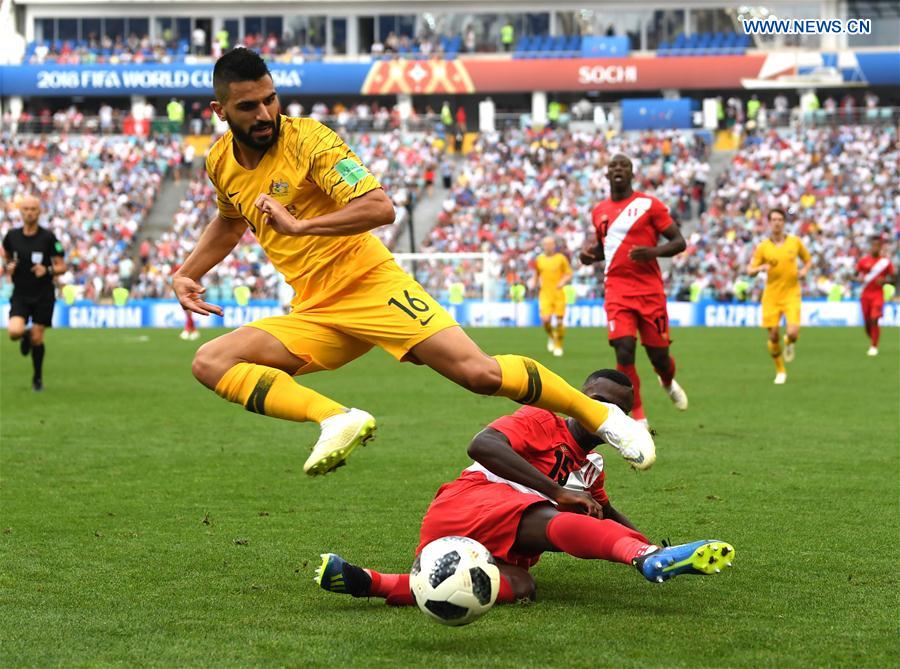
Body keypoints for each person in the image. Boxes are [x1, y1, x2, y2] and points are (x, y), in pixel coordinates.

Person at [173, 49, 654, 478]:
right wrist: (188, 272)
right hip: (315, 310)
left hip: (370, 284)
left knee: (479, 375)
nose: (264, 113)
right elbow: (230, 221)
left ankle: (603, 417)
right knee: (211, 360)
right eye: (248, 106)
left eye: (270, 100)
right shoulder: (220, 161)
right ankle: (337, 418)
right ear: (219, 111)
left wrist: (301, 228)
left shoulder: (311, 142)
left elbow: (380, 207)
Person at [315, 370, 735, 606]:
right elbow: (482, 445)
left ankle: (367, 582)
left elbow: (602, 514)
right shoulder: (541, 418)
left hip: (497, 538)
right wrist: (557, 491)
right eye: (595, 399)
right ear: (578, 397)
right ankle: (646, 561)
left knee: (521, 586)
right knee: (558, 515)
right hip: (466, 505)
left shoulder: (592, 465)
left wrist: (639, 538)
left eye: (617, 409)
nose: (603, 411)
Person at [580, 154, 689, 428]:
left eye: (624, 166)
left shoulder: (649, 205)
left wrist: (652, 252)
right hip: (617, 290)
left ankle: (667, 380)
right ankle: (638, 416)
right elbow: (607, 247)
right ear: (607, 175)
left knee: (659, 356)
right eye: (613, 166)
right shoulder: (599, 212)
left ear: (632, 173)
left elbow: (679, 242)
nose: (618, 169)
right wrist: (591, 256)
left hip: (650, 292)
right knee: (624, 350)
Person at [1, 195, 66, 391]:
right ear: (20, 211)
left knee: (38, 338)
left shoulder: (48, 238)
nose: (29, 212)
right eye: (26, 209)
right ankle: (25, 336)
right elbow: (6, 259)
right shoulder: (11, 236)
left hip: (43, 294)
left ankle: (37, 379)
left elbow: (62, 266)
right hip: (20, 293)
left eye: (33, 209)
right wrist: (8, 266)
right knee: (14, 332)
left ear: (39, 212)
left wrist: (47, 270)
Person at [747, 208, 812, 384]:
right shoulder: (763, 247)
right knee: (773, 335)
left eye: (780, 219)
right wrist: (761, 268)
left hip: (792, 293)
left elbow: (808, 259)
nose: (777, 222)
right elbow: (750, 270)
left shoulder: (795, 242)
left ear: (784, 222)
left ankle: (789, 342)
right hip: (771, 296)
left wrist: (804, 270)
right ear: (769, 223)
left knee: (792, 332)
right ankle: (780, 370)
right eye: (774, 219)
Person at [533, 236, 572, 357]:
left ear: (554, 245)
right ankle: (552, 336)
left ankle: (559, 345)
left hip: (558, 293)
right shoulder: (539, 260)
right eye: (546, 244)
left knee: (560, 320)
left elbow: (569, 273)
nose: (548, 246)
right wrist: (534, 284)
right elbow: (537, 274)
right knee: (545, 320)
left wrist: (563, 281)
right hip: (545, 293)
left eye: (550, 244)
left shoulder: (561, 258)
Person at [856, 236, 895, 357]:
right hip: (865, 295)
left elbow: (893, 278)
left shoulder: (885, 262)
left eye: (878, 245)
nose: (875, 248)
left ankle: (874, 346)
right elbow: (855, 275)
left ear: (881, 247)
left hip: (878, 295)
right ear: (870, 247)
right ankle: (873, 337)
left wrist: (885, 281)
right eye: (873, 245)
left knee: (874, 318)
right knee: (868, 323)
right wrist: (858, 279)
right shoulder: (863, 261)